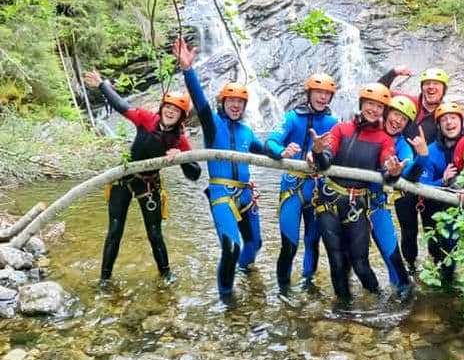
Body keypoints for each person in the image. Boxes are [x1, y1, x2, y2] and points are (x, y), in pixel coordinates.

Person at [84, 70, 201, 283]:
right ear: (162, 108)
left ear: (182, 116)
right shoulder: (146, 119)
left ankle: (166, 275)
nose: (170, 112)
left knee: (155, 232)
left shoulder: (180, 141)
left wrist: (181, 157)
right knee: (115, 231)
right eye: (168, 107)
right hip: (124, 179)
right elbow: (121, 106)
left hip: (149, 185)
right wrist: (102, 85)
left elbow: (195, 173)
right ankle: (104, 279)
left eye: (176, 110)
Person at [173, 38, 267, 300]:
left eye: (240, 102)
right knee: (231, 246)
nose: (236, 105)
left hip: (246, 195)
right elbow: (200, 103)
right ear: (223, 103)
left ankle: (246, 274)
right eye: (231, 101)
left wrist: (287, 152)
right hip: (222, 194)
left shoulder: (247, 131)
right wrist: (187, 70)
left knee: (254, 245)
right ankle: (227, 298)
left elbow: (266, 152)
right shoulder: (213, 124)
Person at [310, 82, 406, 301]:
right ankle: (345, 309)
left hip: (357, 206)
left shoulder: (384, 139)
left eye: (379, 107)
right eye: (370, 104)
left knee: (360, 263)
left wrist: (393, 171)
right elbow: (325, 161)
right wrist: (317, 152)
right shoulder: (341, 129)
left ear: (384, 111)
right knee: (336, 262)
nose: (373, 109)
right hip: (329, 202)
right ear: (362, 104)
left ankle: (379, 300)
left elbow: (386, 166)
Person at [265, 73, 338, 295]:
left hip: (317, 188)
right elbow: (270, 141)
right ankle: (283, 290)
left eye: (327, 94)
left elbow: (333, 153)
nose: (323, 98)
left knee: (313, 241)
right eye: (319, 92)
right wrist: (282, 152)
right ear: (309, 93)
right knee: (290, 244)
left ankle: (308, 284)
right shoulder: (292, 118)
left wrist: (319, 155)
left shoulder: (333, 123)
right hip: (292, 187)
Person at [378, 66, 449, 275]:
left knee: (432, 230)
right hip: (407, 173)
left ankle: (438, 271)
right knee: (408, 231)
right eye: (427, 84)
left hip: (432, 178)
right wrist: (393, 73)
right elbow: (377, 93)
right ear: (421, 87)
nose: (431, 88)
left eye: (436, 85)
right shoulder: (407, 103)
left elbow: (458, 136)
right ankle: (411, 270)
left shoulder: (445, 114)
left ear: (443, 90)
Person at [368, 95, 428, 295]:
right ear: (386, 113)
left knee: (396, 265)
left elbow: (410, 173)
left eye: (403, 119)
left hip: (377, 205)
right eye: (395, 114)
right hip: (348, 202)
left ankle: (399, 308)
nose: (397, 121)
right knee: (351, 260)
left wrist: (422, 157)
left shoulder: (402, 146)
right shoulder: (365, 130)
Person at [418, 101, 464, 284]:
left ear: (461, 122)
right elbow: (421, 185)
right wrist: (443, 181)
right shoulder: (431, 151)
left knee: (451, 248)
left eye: (453, 118)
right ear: (438, 126)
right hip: (433, 207)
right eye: (444, 120)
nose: (449, 123)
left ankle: (448, 283)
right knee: (436, 249)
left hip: (461, 205)